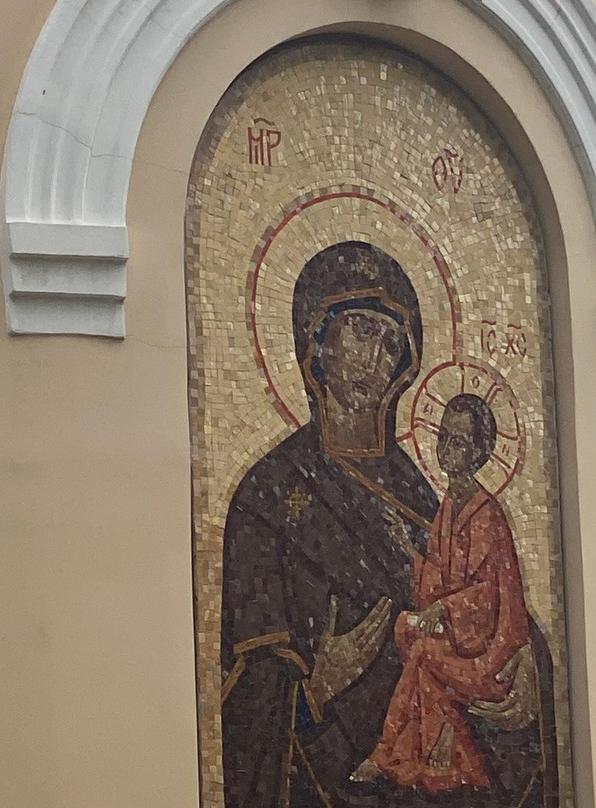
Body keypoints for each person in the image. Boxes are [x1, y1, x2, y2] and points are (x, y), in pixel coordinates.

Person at [220, 241, 556, 808]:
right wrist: (314, 688)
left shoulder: (425, 495)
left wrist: (527, 669)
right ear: (317, 341)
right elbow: (244, 687)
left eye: (390, 342)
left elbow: (491, 603)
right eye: (358, 330)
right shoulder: (267, 494)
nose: (372, 359)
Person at [351, 394, 530, 794]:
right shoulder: (449, 505)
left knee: (426, 654)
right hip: (460, 638)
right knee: (405, 628)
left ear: (480, 452)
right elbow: (440, 579)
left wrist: (446, 609)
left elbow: (487, 596)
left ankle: (388, 754)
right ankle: (444, 748)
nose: (447, 450)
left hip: (490, 652)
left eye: (459, 442)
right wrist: (407, 550)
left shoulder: (485, 514)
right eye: (444, 437)